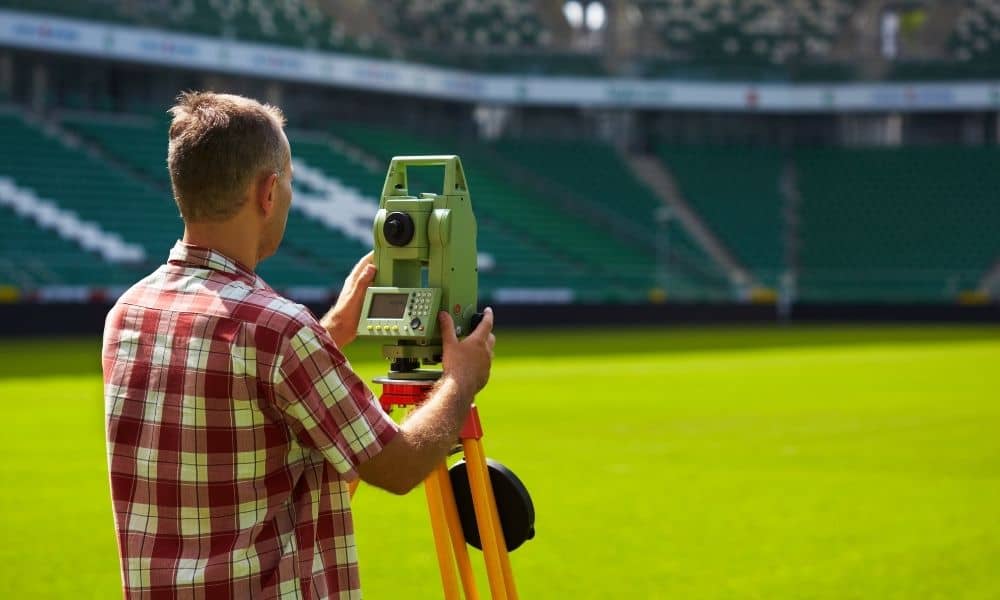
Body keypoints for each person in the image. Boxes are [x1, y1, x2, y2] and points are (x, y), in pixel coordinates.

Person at [101, 91, 495, 599]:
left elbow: (235, 390)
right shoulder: (281, 333)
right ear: (268, 193)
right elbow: (399, 466)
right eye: (288, 182)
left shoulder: (129, 313)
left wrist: (329, 332)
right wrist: (460, 379)